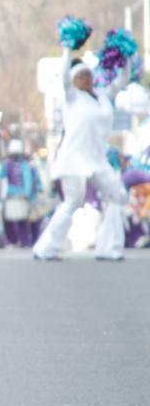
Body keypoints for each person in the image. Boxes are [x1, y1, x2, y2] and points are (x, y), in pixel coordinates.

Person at [33, 46, 129, 261]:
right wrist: (67, 48)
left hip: (97, 160)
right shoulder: (71, 97)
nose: (85, 79)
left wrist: (127, 57)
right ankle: (46, 248)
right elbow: (65, 75)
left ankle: (109, 248)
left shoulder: (102, 97)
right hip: (73, 160)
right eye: (81, 75)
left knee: (119, 196)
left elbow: (122, 81)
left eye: (88, 75)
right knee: (72, 202)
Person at [0, 139, 42, 248]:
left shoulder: (25, 165)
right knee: (8, 219)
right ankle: (12, 241)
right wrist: (3, 194)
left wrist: (27, 194)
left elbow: (28, 180)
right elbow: (2, 179)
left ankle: (25, 241)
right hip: (10, 196)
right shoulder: (6, 165)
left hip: (22, 196)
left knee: (24, 220)